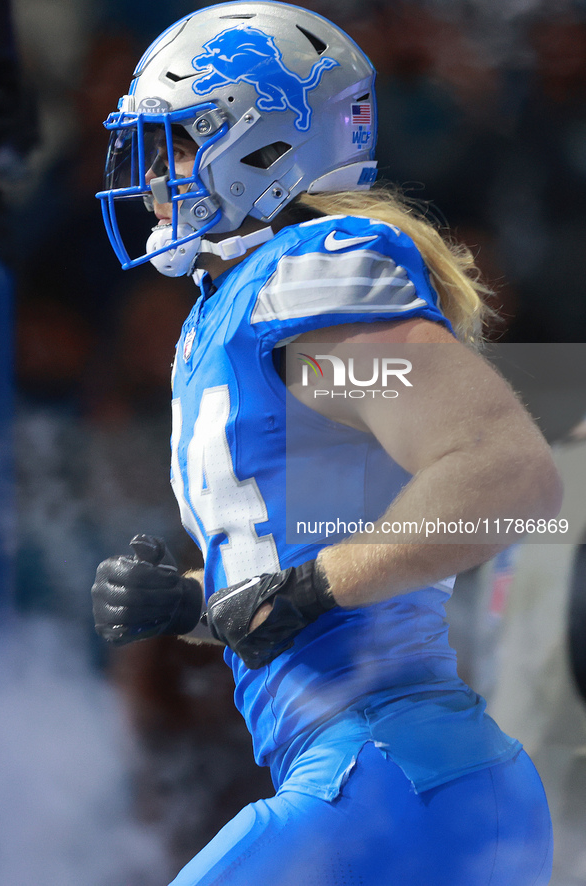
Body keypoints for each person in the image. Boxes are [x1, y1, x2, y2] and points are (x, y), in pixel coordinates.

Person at [91, 3, 562, 884]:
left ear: (265, 147)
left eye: (180, 145)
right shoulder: (244, 310)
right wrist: (192, 604)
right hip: (417, 786)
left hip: (388, 783)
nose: (154, 179)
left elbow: (508, 476)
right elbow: (318, 555)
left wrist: (310, 587)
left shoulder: (302, 283)